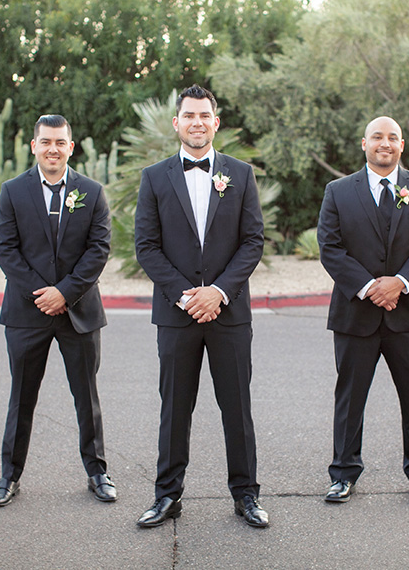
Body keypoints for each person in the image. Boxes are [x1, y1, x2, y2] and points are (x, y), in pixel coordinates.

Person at [134, 85, 268, 528]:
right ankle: (166, 495)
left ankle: (246, 495)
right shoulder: (155, 177)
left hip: (229, 313)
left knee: (237, 408)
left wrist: (220, 292)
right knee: (174, 408)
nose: (196, 122)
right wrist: (187, 295)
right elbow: (147, 247)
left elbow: (252, 242)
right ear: (177, 123)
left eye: (204, 115)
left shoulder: (241, 175)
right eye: (189, 115)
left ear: (216, 122)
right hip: (177, 314)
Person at [317, 116, 409, 504]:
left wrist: (400, 283)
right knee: (350, 397)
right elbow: (331, 247)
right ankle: (343, 473)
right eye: (377, 137)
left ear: (402, 145)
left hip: (408, 313)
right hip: (356, 314)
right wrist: (371, 287)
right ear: (364, 143)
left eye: (392, 137)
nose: (384, 143)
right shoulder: (338, 191)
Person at [0, 114, 115, 506]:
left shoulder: (92, 193)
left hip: (78, 313)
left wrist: (65, 293)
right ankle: (9, 476)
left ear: (70, 147)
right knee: (21, 397)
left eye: (60, 142)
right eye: (46, 142)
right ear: (34, 146)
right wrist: (42, 294)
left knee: (86, 397)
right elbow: (6, 250)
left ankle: (98, 473)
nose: (53, 149)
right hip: (27, 314)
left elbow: (98, 250)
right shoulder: (12, 192)